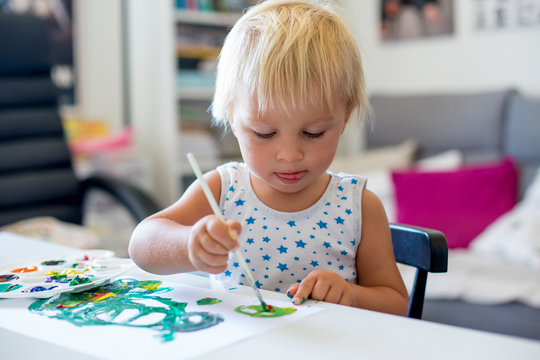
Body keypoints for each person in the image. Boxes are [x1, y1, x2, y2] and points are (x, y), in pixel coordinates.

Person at [129, 0, 409, 315]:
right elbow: (142, 244)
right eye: (264, 133)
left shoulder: (359, 206)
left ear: (344, 118)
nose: (289, 155)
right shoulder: (223, 189)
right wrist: (189, 244)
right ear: (233, 118)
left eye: (313, 132)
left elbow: (397, 304)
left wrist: (351, 295)